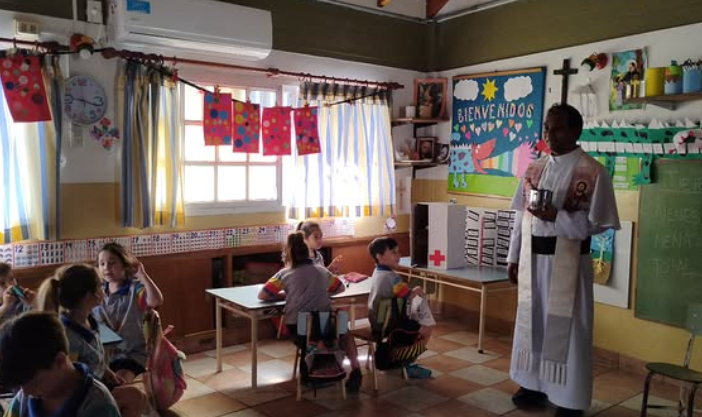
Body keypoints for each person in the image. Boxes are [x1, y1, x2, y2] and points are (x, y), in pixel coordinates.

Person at [506, 104, 620, 417]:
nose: (549, 135)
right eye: (547, 128)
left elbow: (600, 224)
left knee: (569, 330)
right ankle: (532, 384)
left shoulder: (593, 172)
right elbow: (520, 217)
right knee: (532, 321)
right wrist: (513, 256)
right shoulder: (534, 168)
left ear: (575, 131)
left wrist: (557, 216)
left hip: (567, 262)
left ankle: (569, 399)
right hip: (533, 261)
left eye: (557, 128)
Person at [37, 264, 148, 417]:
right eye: (101, 285)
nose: (104, 289)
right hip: (81, 398)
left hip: (95, 387)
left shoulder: (89, 320)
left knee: (138, 397)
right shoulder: (68, 336)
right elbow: (69, 380)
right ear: (90, 295)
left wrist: (106, 371)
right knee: (134, 397)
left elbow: (94, 357)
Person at [259, 231, 363, 393]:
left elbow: (263, 295)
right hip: (327, 328)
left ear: (288, 254)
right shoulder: (322, 271)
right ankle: (356, 369)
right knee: (343, 328)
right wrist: (320, 291)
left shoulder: (284, 274)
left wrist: (288, 294)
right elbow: (340, 288)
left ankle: (313, 365)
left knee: (311, 331)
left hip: (301, 330)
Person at [0, 311, 121, 417]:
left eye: (34, 383)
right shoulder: (26, 396)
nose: (25, 392)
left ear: (60, 361)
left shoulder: (99, 406)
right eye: (21, 385)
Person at [94, 242, 164, 383]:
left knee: (119, 380)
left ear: (125, 265)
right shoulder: (97, 292)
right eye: (102, 264)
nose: (106, 267)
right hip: (103, 354)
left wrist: (142, 275)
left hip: (132, 354)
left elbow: (156, 301)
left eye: (112, 263)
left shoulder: (135, 289)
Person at [367, 237, 435, 379]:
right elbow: (407, 295)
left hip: (378, 323)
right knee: (426, 329)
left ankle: (400, 360)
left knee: (416, 324)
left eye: (398, 252)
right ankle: (408, 364)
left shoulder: (377, 272)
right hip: (392, 326)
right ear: (379, 256)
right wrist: (416, 290)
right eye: (393, 252)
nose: (398, 255)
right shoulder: (393, 278)